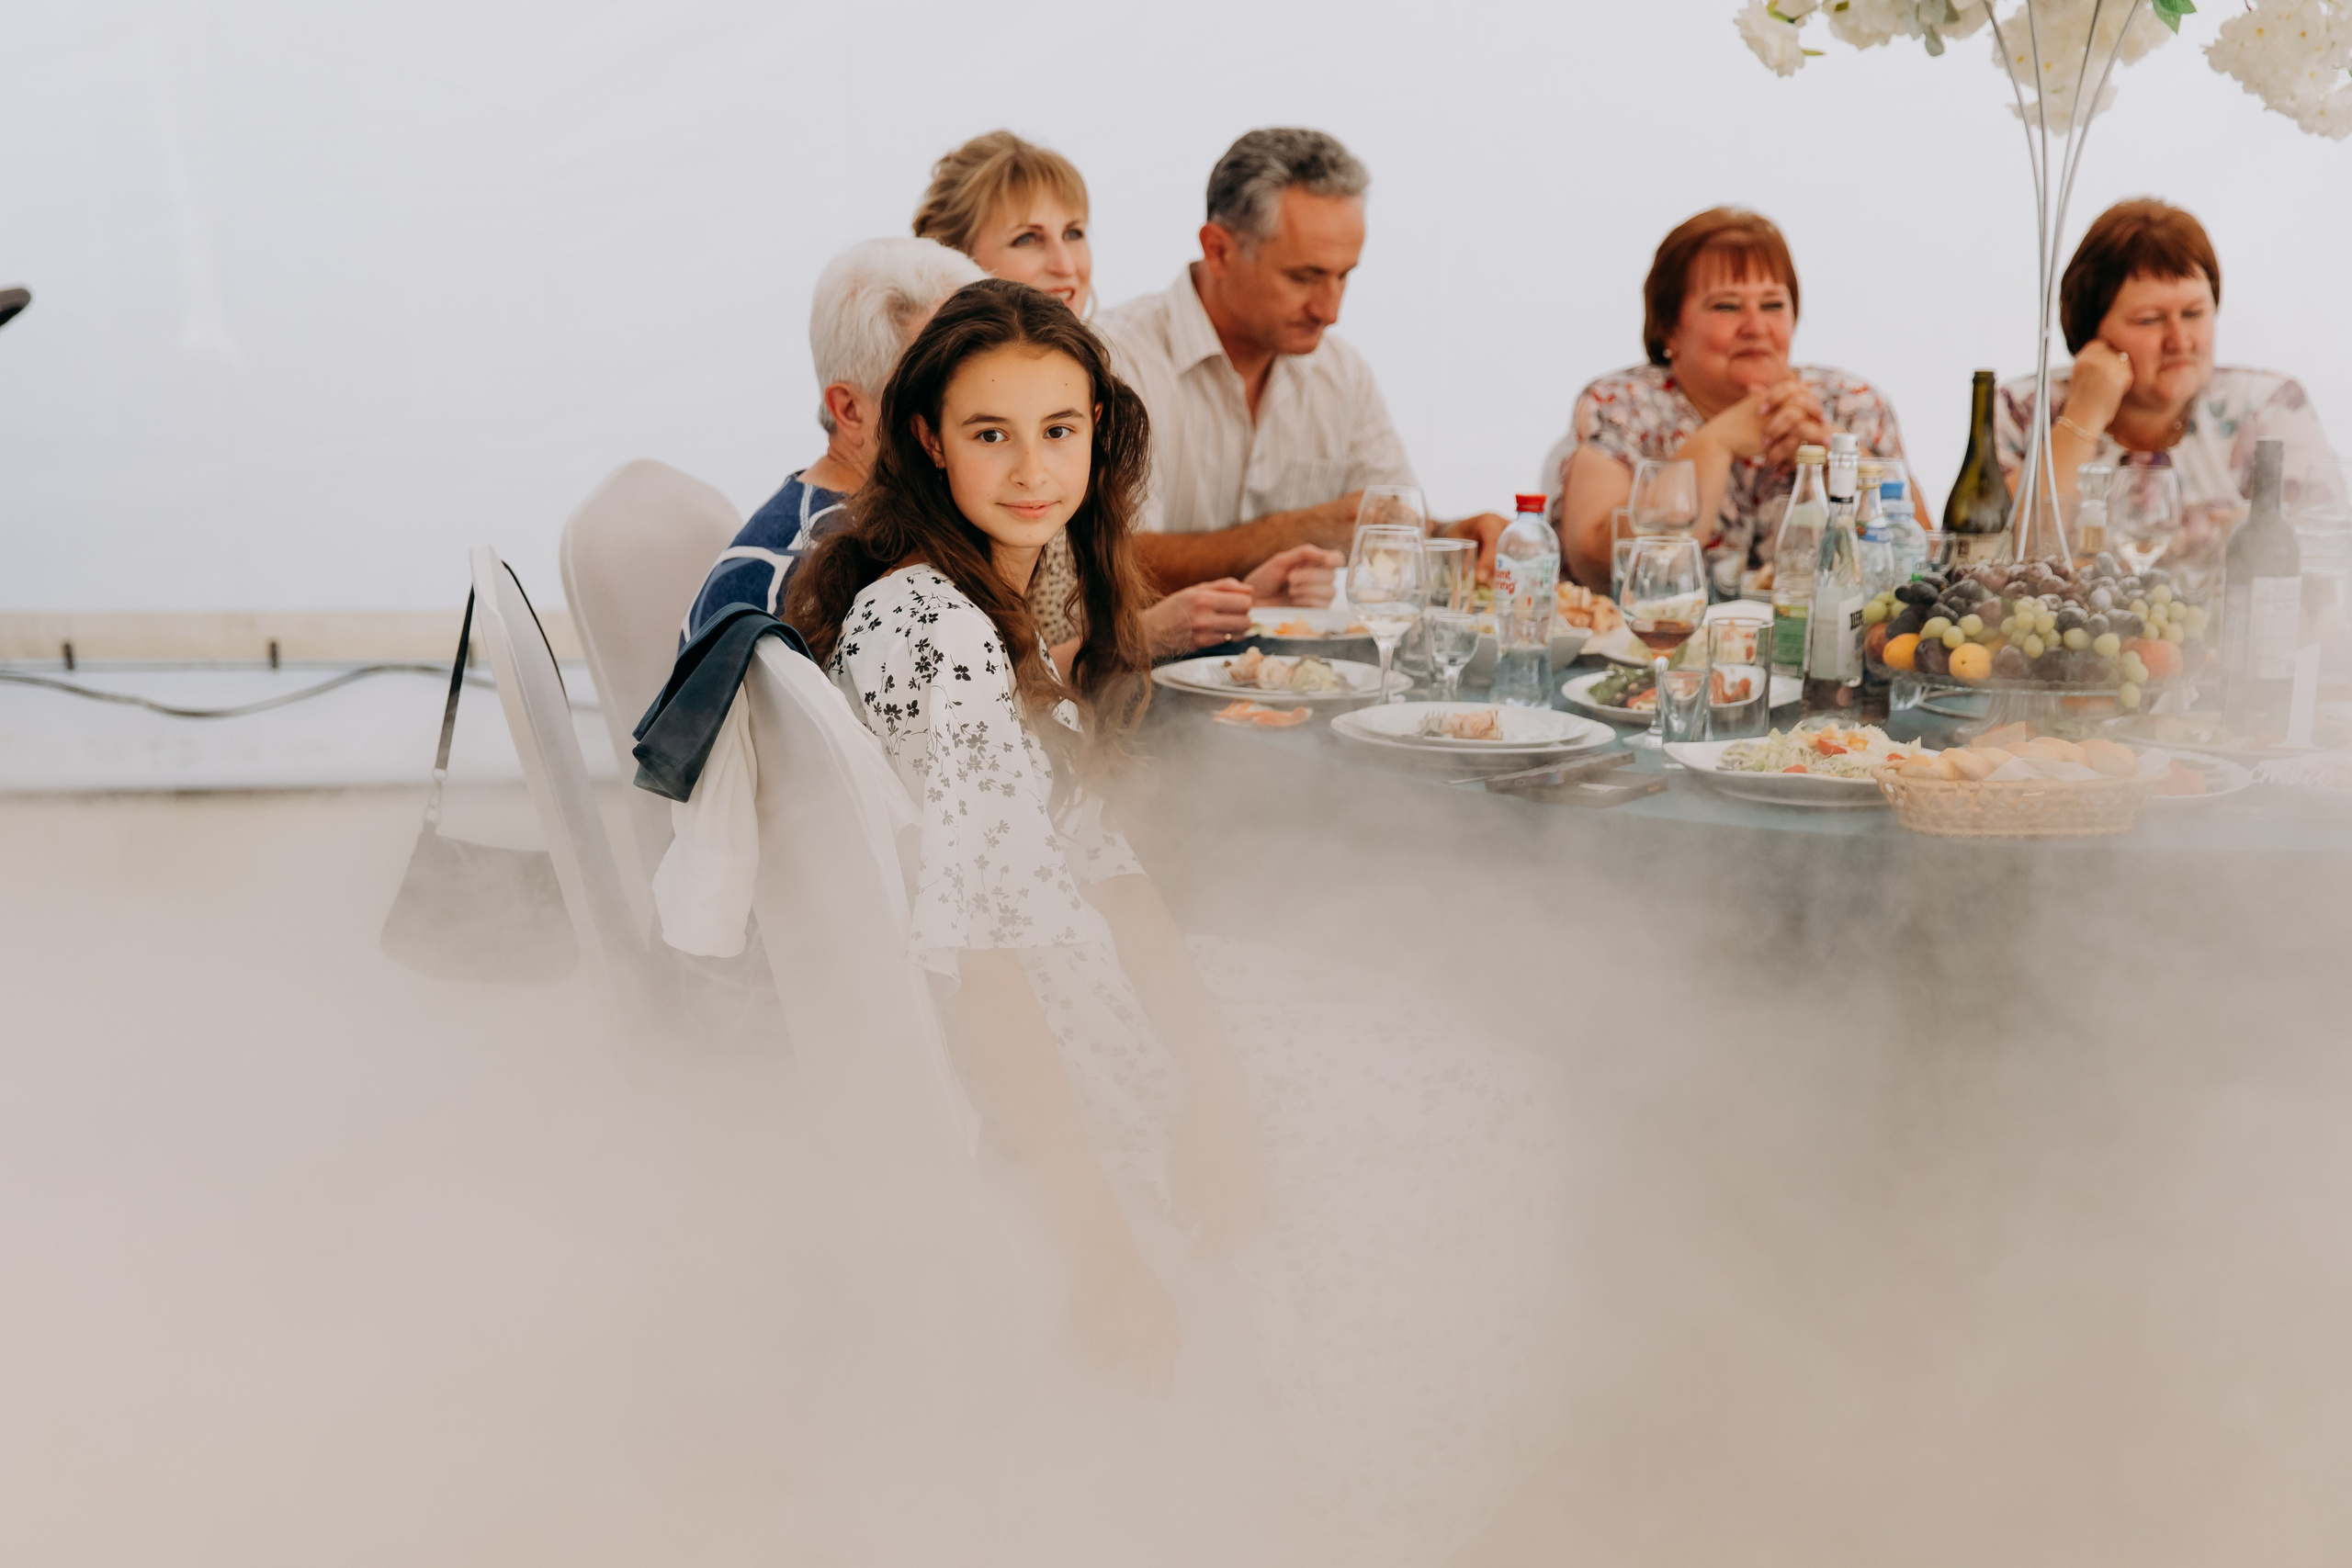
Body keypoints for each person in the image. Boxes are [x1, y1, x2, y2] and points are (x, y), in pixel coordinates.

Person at [766, 277, 1576, 1559]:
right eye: (992, 433)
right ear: (926, 437)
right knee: (1471, 1099)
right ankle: (1374, 1496)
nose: (1035, 469)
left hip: (1077, 977)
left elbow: (1100, 858)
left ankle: (1402, 1458)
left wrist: (1222, 1082)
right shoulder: (937, 625)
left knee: (1439, 1051)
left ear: (1100, 431)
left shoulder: (1007, 581)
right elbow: (987, 964)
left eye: (1061, 429)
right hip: (1036, 1026)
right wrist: (1100, 1247)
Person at [916, 130, 1337, 659]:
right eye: (1028, 238)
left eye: (1074, 233)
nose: (1066, 266)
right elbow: (1000, 685)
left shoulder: (1086, 378)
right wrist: (1150, 634)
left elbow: (1064, 638)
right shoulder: (938, 424)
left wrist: (1249, 597)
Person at [1095, 128, 1509, 599]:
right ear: (1219, 250)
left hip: (1295, 665)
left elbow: (1386, 522)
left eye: (1343, 276)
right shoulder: (1115, 358)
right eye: (1303, 277)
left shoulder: (1341, 370)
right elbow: (1114, 560)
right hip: (1145, 666)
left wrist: (1451, 538)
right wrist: (1299, 529)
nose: (1329, 311)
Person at [1544, 208, 1910, 591]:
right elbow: (1596, 560)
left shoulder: (1853, 404)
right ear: (1668, 329)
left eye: (1772, 305)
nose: (1756, 328)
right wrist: (1716, 442)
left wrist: (1840, 460)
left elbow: (1917, 564)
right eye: (1727, 306)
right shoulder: (1621, 404)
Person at [682, 236, 983, 639]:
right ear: (849, 410)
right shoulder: (844, 571)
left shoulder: (852, 521)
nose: (977, 406)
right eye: (937, 386)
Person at [1996, 197, 2337, 529]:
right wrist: (2083, 413)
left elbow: (2321, 554)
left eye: (2193, 314)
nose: (2180, 341)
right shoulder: (2021, 411)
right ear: (2090, 332)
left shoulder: (2270, 407)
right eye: (2149, 320)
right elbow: (2002, 557)